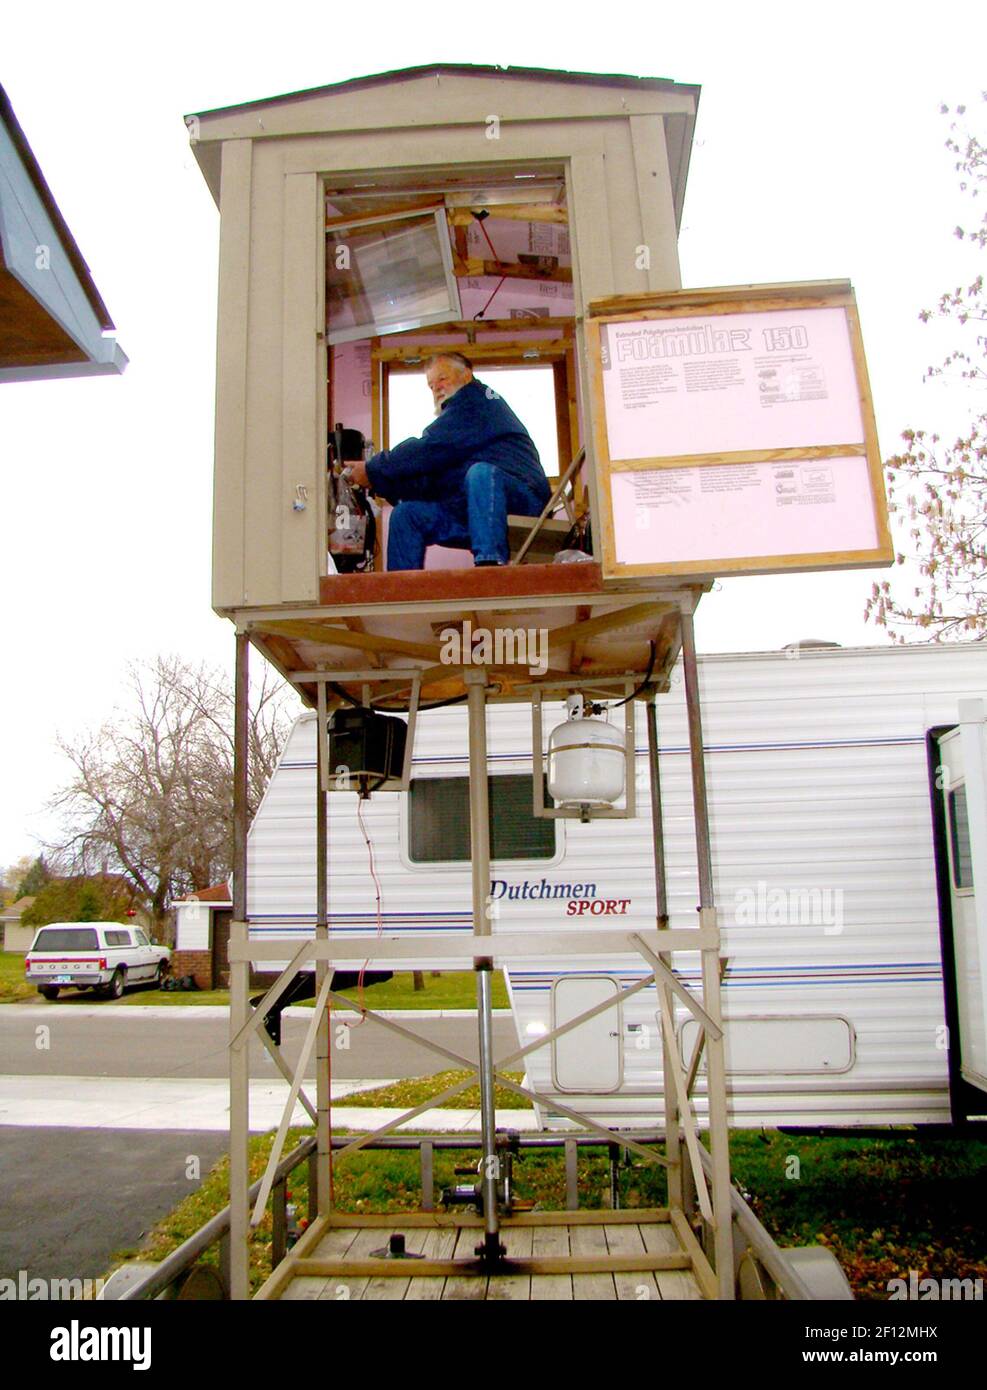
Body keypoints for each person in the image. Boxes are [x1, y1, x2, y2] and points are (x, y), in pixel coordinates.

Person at [346, 352, 550, 571]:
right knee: (407, 514)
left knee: (481, 473)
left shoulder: (478, 400)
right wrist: (378, 482)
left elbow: (428, 449)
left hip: (522, 499)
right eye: (431, 385)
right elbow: (431, 479)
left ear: (466, 375)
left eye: (442, 379)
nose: (436, 388)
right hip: (474, 511)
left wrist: (372, 468)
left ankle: (490, 568)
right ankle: (401, 593)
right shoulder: (457, 440)